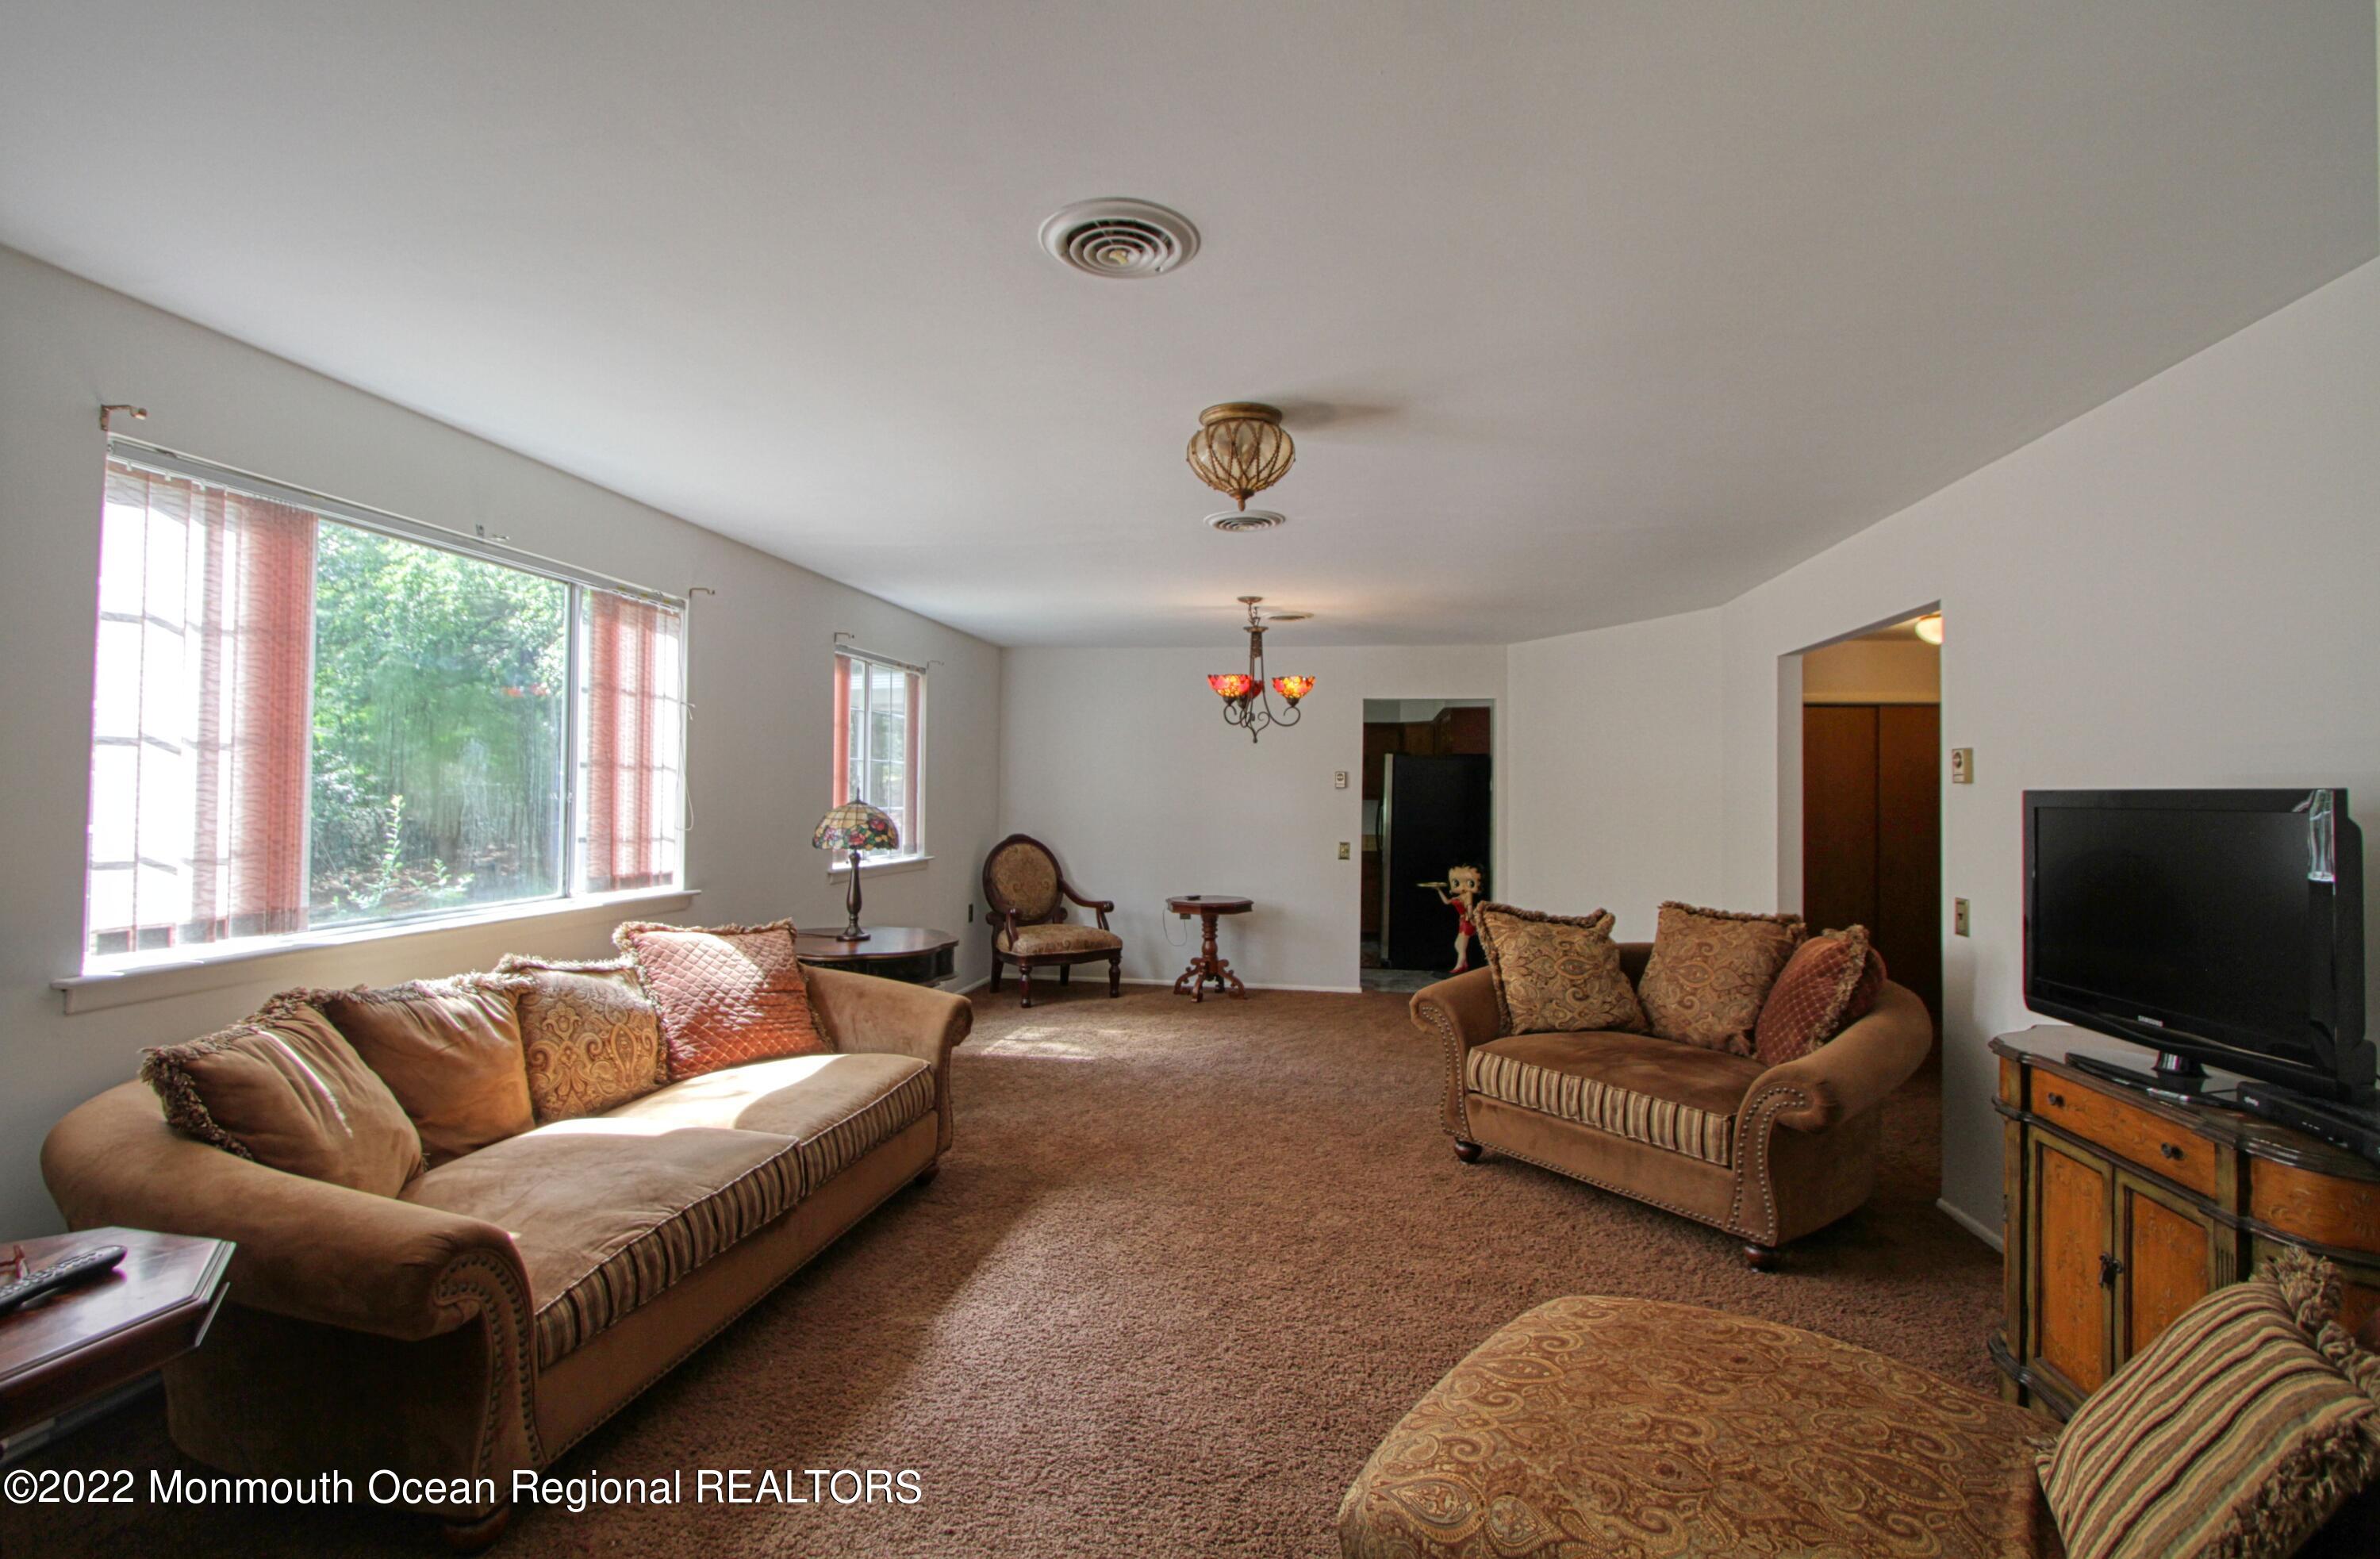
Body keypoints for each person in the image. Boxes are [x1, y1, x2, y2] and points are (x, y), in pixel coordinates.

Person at [1432, 863, 1485, 973]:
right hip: (1463, 921)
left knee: (1461, 946)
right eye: (1456, 882)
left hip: (1467, 921)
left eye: (1470, 883)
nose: (1463, 886)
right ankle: (1464, 964)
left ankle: (1459, 966)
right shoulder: (1460, 896)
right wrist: (1439, 890)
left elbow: (1469, 906)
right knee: (1458, 944)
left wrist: (1471, 919)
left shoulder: (1468, 895)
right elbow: (1447, 902)